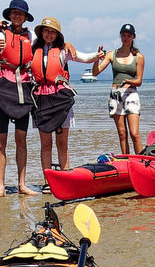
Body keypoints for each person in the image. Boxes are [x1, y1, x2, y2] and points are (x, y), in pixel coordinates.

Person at [29, 17, 102, 185]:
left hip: (60, 99)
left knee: (62, 143)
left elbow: (85, 58)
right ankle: (48, 182)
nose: (49, 34)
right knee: (45, 144)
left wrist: (97, 55)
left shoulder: (63, 51)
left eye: (52, 32)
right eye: (46, 31)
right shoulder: (33, 51)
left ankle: (66, 179)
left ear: (57, 35)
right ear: (41, 33)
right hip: (41, 100)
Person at [0, 0, 38, 197]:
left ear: (25, 17)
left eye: (20, 13)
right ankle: (1, 187)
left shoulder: (31, 36)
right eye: (14, 12)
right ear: (9, 15)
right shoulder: (0, 35)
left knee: (21, 140)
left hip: (23, 90)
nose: (17, 16)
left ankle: (22, 184)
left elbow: (48, 45)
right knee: (0, 142)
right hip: (4, 89)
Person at [92, 23, 145, 154]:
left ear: (133, 37)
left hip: (131, 94)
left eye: (129, 36)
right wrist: (96, 58)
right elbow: (95, 72)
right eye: (123, 35)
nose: (126, 38)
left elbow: (139, 81)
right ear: (120, 36)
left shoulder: (138, 57)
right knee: (122, 133)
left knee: (134, 133)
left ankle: (142, 160)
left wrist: (128, 81)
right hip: (115, 95)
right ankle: (126, 160)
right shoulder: (112, 54)